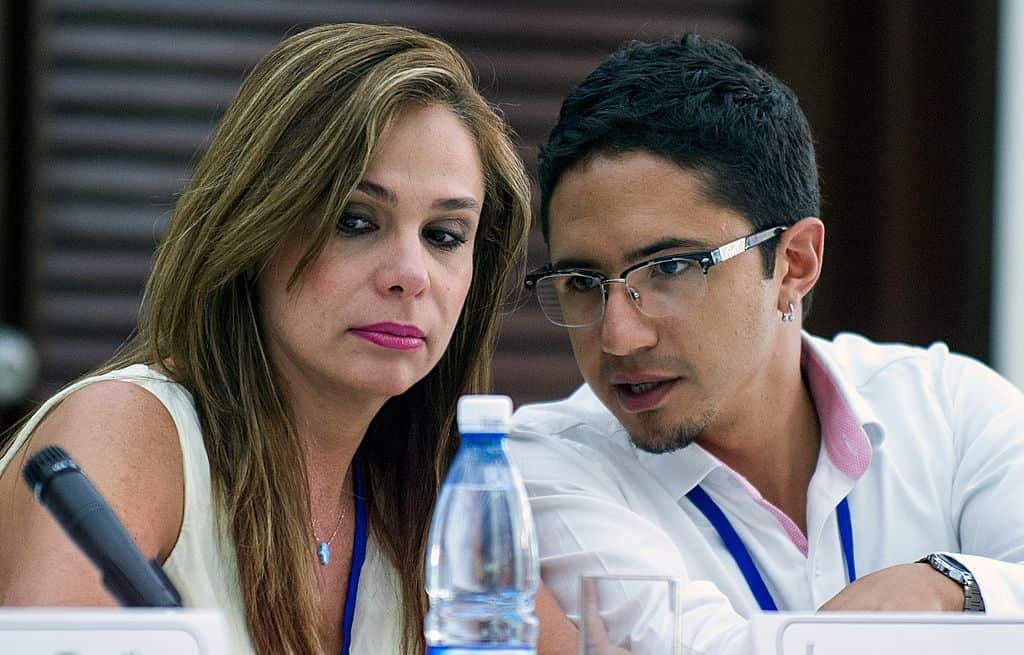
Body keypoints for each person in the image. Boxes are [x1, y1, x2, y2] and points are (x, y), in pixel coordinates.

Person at [0, 23, 544, 655]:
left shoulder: (445, 490)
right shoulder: (129, 427)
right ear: (257, 227)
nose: (410, 275)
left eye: (444, 236)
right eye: (355, 221)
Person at [510, 33, 1024, 655]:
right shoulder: (545, 466)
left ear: (795, 263)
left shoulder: (951, 409)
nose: (619, 335)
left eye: (670, 268)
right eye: (582, 282)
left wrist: (947, 585)